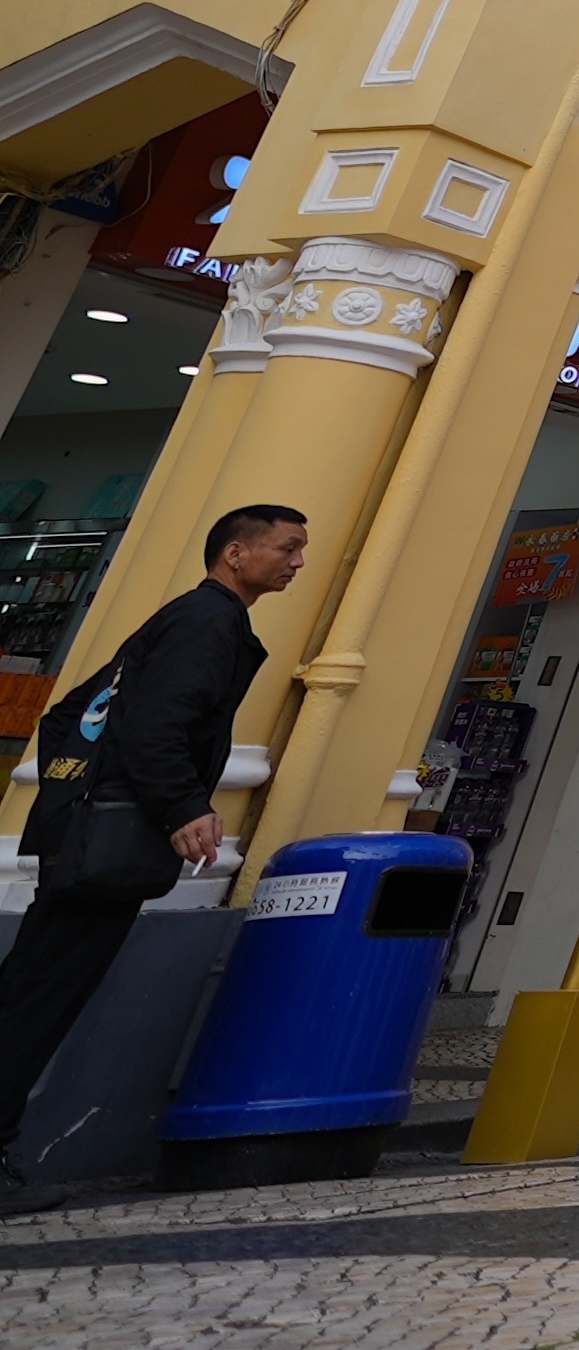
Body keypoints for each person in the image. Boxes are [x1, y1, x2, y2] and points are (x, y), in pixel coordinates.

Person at [1, 505, 303, 1206]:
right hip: (107, 846)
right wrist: (183, 807)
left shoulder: (195, 620)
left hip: (89, 839)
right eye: (286, 547)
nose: (296, 563)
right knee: (37, 1000)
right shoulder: (208, 623)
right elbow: (152, 729)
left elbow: (84, 712)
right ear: (235, 553)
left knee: (30, 989)